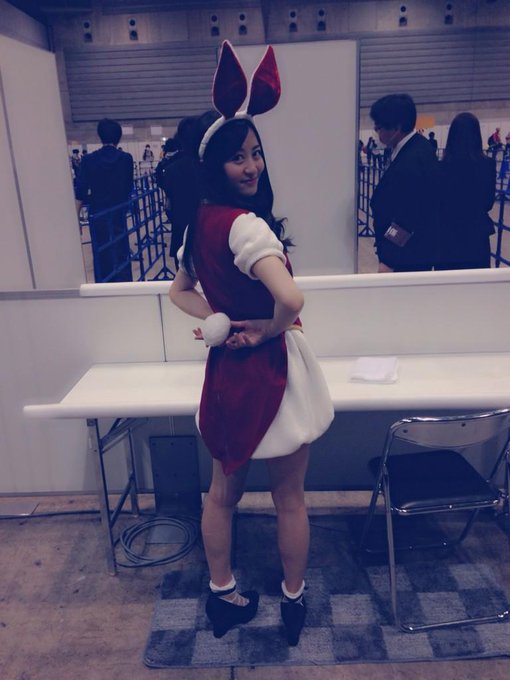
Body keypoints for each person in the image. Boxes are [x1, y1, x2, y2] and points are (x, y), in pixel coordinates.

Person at [169, 41, 333, 646]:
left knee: (222, 494)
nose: (252, 166)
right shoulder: (246, 226)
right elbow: (292, 299)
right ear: (215, 165)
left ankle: (223, 596)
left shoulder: (199, 224)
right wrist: (267, 325)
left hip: (227, 376)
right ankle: (293, 600)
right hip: (272, 371)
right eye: (237, 157)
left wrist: (220, 317)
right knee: (289, 499)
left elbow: (178, 292)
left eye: (256, 153)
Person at [369, 93, 439, 272]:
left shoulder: (413, 160)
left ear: (397, 127)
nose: (377, 133)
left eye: (379, 127)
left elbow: (407, 218)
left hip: (406, 255)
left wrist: (388, 259)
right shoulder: (412, 148)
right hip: (405, 251)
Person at [75, 118, 134, 282]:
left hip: (98, 214)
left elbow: (80, 192)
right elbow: (128, 187)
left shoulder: (88, 160)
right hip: (118, 213)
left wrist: (76, 219)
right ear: (119, 137)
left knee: (101, 252)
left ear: (100, 136)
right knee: (121, 250)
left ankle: (103, 285)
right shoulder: (126, 159)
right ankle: (123, 285)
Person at [436, 112, 496, 270]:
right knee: (476, 282)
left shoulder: (442, 167)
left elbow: (438, 202)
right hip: (477, 236)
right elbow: (488, 203)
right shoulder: (488, 165)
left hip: (447, 236)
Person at [155, 117, 199, 267]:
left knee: (181, 265)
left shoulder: (171, 168)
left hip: (180, 222)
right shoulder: (207, 164)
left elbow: (167, 191)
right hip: (205, 224)